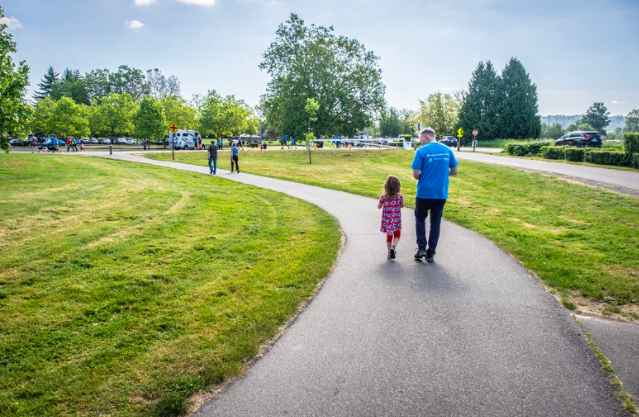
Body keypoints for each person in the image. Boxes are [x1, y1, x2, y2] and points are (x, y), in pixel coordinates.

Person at [411, 127, 458, 262]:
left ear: (426, 136)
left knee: (420, 219)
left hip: (424, 192)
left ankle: (421, 248)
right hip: (440, 193)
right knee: (435, 222)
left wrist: (425, 174)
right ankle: (431, 252)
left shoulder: (421, 151)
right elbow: (454, 171)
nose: (420, 141)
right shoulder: (447, 150)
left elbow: (416, 174)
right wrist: (442, 173)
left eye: (420, 138)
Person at [378, 175, 404, 259]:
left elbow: (379, 206)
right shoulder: (399, 197)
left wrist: (381, 202)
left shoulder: (383, 197)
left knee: (389, 235)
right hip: (396, 220)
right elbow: (401, 206)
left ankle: (389, 252)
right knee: (397, 234)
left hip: (387, 220)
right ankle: (394, 246)